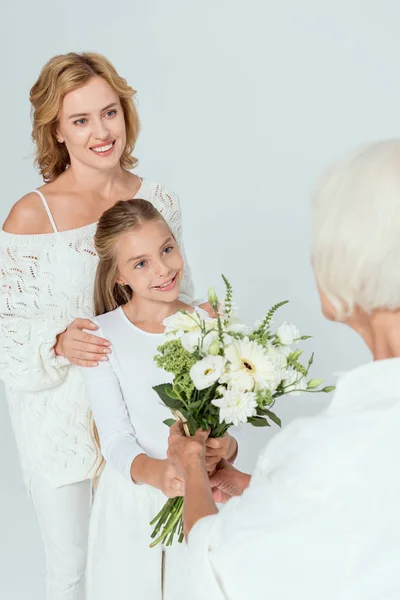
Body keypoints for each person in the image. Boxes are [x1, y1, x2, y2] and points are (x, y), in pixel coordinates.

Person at [0, 52, 198, 600]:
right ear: (57, 131)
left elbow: (172, 291)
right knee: (71, 569)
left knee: (141, 562)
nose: (100, 131)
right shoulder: (30, 215)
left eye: (109, 113)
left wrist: (204, 325)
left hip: (143, 412)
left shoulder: (156, 199)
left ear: (125, 113)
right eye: (80, 120)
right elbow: (7, 328)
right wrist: (56, 340)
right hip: (61, 417)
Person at [166, 140, 400, 600]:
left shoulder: (333, 450)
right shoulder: (342, 457)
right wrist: (257, 488)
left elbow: (219, 570)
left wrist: (190, 467)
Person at [79, 198, 238, 600]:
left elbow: (227, 417)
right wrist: (156, 473)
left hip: (200, 494)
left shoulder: (209, 324)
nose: (164, 269)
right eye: (141, 263)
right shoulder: (101, 335)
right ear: (118, 276)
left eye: (167, 249)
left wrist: (227, 448)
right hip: (132, 504)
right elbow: (112, 436)